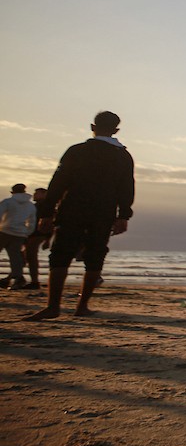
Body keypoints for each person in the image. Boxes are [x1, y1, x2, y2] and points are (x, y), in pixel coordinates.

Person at [23, 111, 135, 320]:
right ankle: (82, 306)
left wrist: (47, 213)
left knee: (60, 255)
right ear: (116, 130)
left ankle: (53, 306)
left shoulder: (77, 151)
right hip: (104, 211)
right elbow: (127, 188)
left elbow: (58, 182)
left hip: (73, 208)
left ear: (92, 127)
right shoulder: (123, 156)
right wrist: (123, 216)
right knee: (95, 255)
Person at [0, 184, 37, 290]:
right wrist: (27, 232)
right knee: (15, 257)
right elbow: (32, 221)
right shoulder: (30, 205)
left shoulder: (7, 202)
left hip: (5, 231)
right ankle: (18, 278)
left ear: (13, 192)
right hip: (20, 233)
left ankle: (16, 279)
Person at [21, 187, 53, 289]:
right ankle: (18, 277)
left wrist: (48, 239)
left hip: (38, 234)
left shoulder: (45, 206)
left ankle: (34, 281)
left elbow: (50, 222)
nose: (34, 195)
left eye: (37, 193)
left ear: (44, 194)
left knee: (31, 256)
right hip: (32, 234)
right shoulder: (35, 206)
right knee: (26, 256)